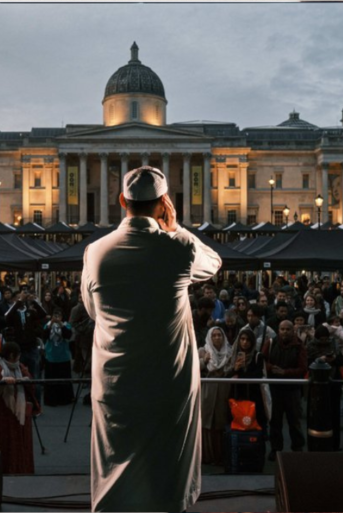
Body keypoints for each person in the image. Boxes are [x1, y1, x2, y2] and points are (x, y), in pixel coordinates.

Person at [81, 166, 222, 512]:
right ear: (164, 203)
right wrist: (175, 229)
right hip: (167, 382)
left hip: (116, 381)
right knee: (166, 477)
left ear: (120, 201)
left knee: (114, 469)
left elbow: (92, 311)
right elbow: (214, 263)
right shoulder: (180, 247)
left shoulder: (96, 252)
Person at [0, 342, 40, 474]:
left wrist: (27, 379)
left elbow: (32, 384)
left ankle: (23, 469)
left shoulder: (20, 367)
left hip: (20, 410)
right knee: (7, 443)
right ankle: (6, 470)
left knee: (21, 443)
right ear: (12, 355)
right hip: (4, 412)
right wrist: (3, 383)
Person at [261, 320, 307, 460]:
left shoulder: (299, 346)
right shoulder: (271, 342)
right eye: (282, 329)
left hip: (292, 389)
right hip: (274, 388)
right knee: (275, 421)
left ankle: (297, 447)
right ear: (278, 330)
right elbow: (262, 360)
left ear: (293, 330)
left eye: (288, 329)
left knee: (295, 420)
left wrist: (285, 372)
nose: (285, 332)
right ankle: (276, 448)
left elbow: (303, 368)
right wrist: (271, 368)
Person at [198, 326, 232, 466]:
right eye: (214, 335)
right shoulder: (203, 351)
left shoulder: (229, 352)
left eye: (219, 335)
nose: (217, 338)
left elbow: (231, 370)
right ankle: (206, 456)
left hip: (223, 392)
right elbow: (193, 368)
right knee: (206, 423)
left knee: (220, 423)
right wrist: (203, 361)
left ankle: (220, 456)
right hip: (207, 391)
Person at [42, 308, 74, 406]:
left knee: (64, 379)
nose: (56, 318)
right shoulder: (47, 325)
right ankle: (51, 399)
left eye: (58, 316)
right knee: (51, 380)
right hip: (51, 356)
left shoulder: (66, 325)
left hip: (63, 356)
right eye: (55, 316)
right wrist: (51, 323)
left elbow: (68, 335)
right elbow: (45, 336)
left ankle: (65, 399)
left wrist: (60, 324)